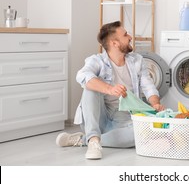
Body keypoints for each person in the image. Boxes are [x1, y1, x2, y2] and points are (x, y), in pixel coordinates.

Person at [55, 21, 164, 160]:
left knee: (146, 133)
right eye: (125, 35)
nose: (130, 37)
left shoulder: (137, 60)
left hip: (125, 119)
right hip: (100, 117)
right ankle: (93, 139)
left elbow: (149, 87)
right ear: (115, 43)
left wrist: (155, 103)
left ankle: (86, 140)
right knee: (89, 86)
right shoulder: (97, 60)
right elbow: (82, 75)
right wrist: (110, 89)